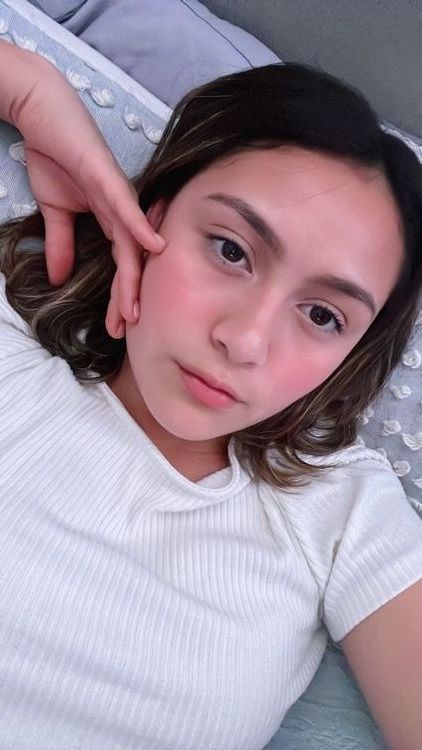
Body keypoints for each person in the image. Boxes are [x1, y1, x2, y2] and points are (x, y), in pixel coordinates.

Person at [0, 41, 421, 750]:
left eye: (323, 316)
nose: (246, 340)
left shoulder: (342, 512)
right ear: (153, 214)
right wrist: (29, 92)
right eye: (231, 250)